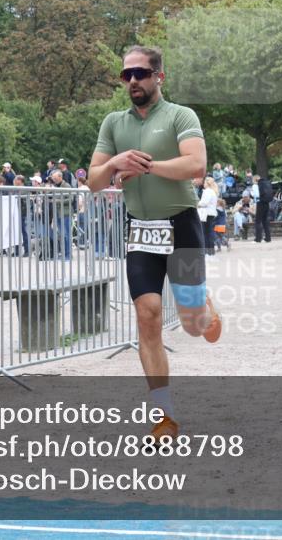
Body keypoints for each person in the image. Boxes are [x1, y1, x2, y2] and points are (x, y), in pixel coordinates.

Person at [88, 45, 222, 443]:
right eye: (126, 75)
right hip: (140, 230)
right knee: (147, 315)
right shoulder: (113, 123)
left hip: (181, 225)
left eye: (140, 74)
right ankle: (164, 416)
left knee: (194, 325)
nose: (132, 81)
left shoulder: (181, 116)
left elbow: (196, 165)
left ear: (158, 76)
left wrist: (144, 166)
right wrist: (114, 164)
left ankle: (205, 310)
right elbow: (94, 181)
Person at [197, 176, 219, 256]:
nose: (203, 184)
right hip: (210, 214)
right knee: (209, 232)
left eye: (204, 182)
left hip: (206, 214)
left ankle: (207, 250)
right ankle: (210, 250)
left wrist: (197, 204)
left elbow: (204, 203)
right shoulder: (213, 191)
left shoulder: (207, 191)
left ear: (207, 183)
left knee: (206, 233)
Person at [254, 175, 273, 243]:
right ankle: (268, 238)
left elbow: (256, 195)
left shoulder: (256, 185)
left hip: (260, 203)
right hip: (266, 203)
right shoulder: (266, 183)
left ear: (255, 180)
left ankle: (258, 239)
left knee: (258, 221)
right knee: (265, 221)